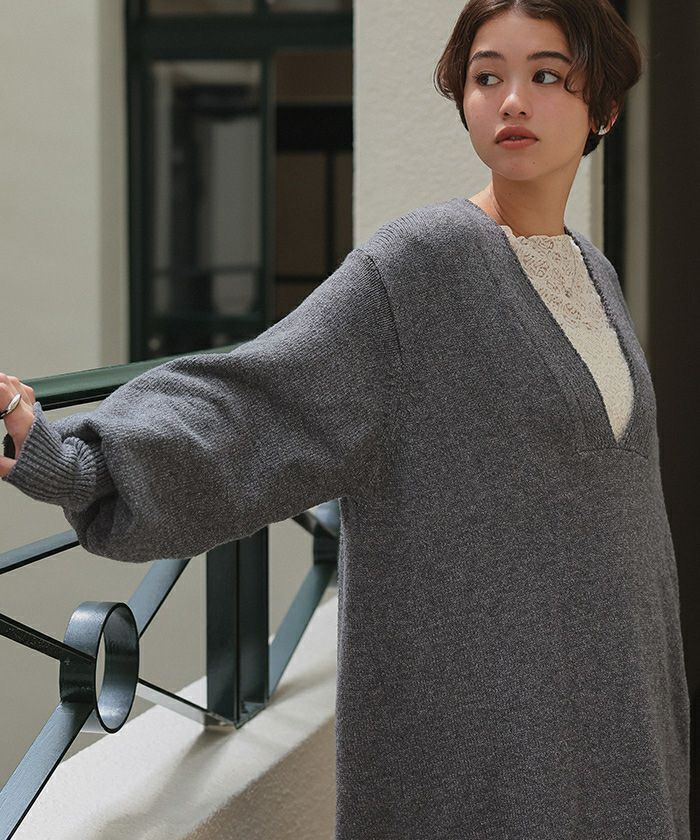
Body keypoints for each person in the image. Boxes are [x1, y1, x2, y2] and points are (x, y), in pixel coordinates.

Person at [0, 0, 690, 837]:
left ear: (603, 106)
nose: (512, 100)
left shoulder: (593, 271)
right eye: (487, 77)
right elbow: (265, 398)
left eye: (547, 75)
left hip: (618, 711)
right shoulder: (421, 266)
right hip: (488, 735)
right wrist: (74, 458)